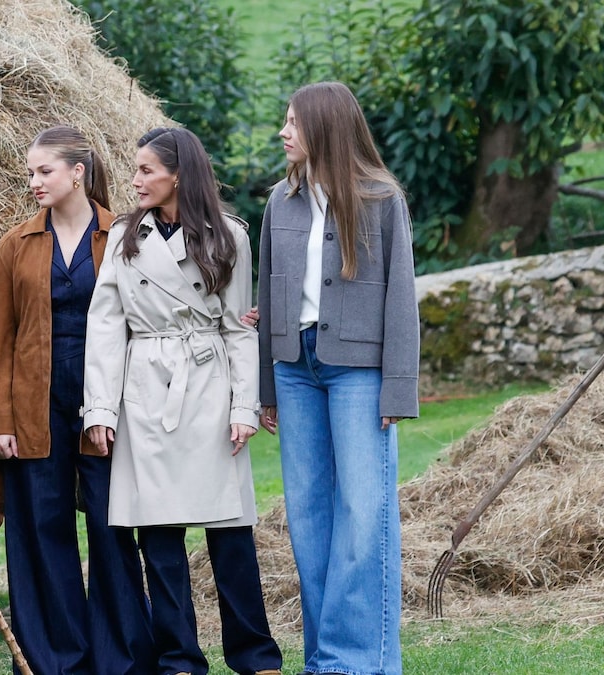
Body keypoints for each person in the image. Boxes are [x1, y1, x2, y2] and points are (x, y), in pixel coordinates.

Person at [82, 126, 283, 675]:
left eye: (146, 170)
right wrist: (100, 408)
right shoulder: (125, 237)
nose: (135, 180)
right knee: (159, 537)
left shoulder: (230, 237)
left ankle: (256, 656)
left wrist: (244, 406)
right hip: (146, 390)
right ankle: (179, 660)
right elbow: (106, 327)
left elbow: (239, 329)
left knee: (231, 532)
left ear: (178, 175)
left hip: (210, 386)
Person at [0, 126, 154, 674]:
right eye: (31, 172)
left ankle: (121, 660)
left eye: (44, 171)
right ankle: (55, 660)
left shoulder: (124, 236)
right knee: (40, 527)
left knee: (111, 524)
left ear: (77, 173)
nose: (34, 182)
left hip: (108, 401)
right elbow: (0, 338)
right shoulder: (16, 244)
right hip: (34, 404)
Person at [257, 81, 419, 675]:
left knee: (363, 513)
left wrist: (397, 387)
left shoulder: (381, 199)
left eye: (293, 122)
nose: (284, 132)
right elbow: (268, 291)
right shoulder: (280, 201)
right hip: (294, 369)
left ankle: (356, 662)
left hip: (359, 372)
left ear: (324, 127)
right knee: (308, 517)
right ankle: (326, 660)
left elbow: (401, 298)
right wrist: (266, 387)